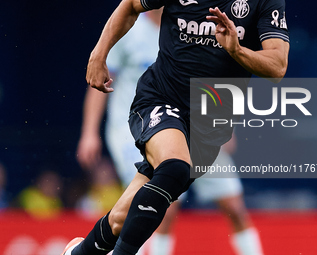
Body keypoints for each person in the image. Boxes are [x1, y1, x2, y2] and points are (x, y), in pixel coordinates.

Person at [62, 0, 289, 254]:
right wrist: (99, 53)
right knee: (175, 167)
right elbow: (130, 5)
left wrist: (237, 51)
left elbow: (278, 66)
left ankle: (79, 252)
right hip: (160, 99)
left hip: (210, 124)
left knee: (122, 216)